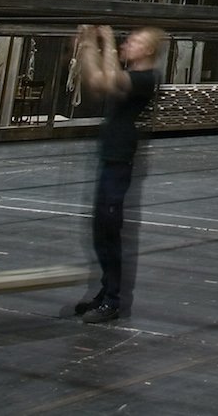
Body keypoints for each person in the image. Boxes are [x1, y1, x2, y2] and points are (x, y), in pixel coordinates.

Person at [73, 24, 161, 322]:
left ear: (148, 50)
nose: (129, 42)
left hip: (120, 159)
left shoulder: (145, 78)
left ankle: (113, 300)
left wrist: (107, 42)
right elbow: (96, 81)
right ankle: (105, 290)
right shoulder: (130, 75)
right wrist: (86, 45)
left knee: (110, 231)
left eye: (135, 40)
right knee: (101, 231)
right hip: (111, 157)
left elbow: (109, 81)